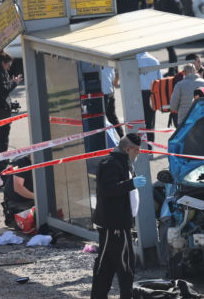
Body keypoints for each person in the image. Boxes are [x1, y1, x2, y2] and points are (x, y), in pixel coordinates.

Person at [91, 134, 146, 299]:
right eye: (137, 151)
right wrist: (131, 184)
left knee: (107, 264)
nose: (138, 154)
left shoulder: (121, 162)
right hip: (114, 224)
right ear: (128, 149)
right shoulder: (111, 164)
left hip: (118, 223)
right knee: (124, 264)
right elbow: (108, 189)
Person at [1, 155, 34, 227]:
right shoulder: (22, 163)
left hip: (32, 201)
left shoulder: (42, 162)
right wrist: (37, 198)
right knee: (31, 226)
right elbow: (18, 188)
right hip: (18, 202)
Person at [135, 52, 161, 144]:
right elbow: (159, 80)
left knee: (137, 122)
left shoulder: (133, 59)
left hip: (137, 93)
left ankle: (139, 147)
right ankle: (150, 148)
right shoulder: (154, 60)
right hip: (152, 92)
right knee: (150, 123)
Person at [101, 66, 124, 138]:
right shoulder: (109, 65)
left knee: (100, 117)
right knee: (112, 117)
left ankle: (104, 138)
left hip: (103, 93)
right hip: (110, 92)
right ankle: (121, 136)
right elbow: (115, 82)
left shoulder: (95, 64)